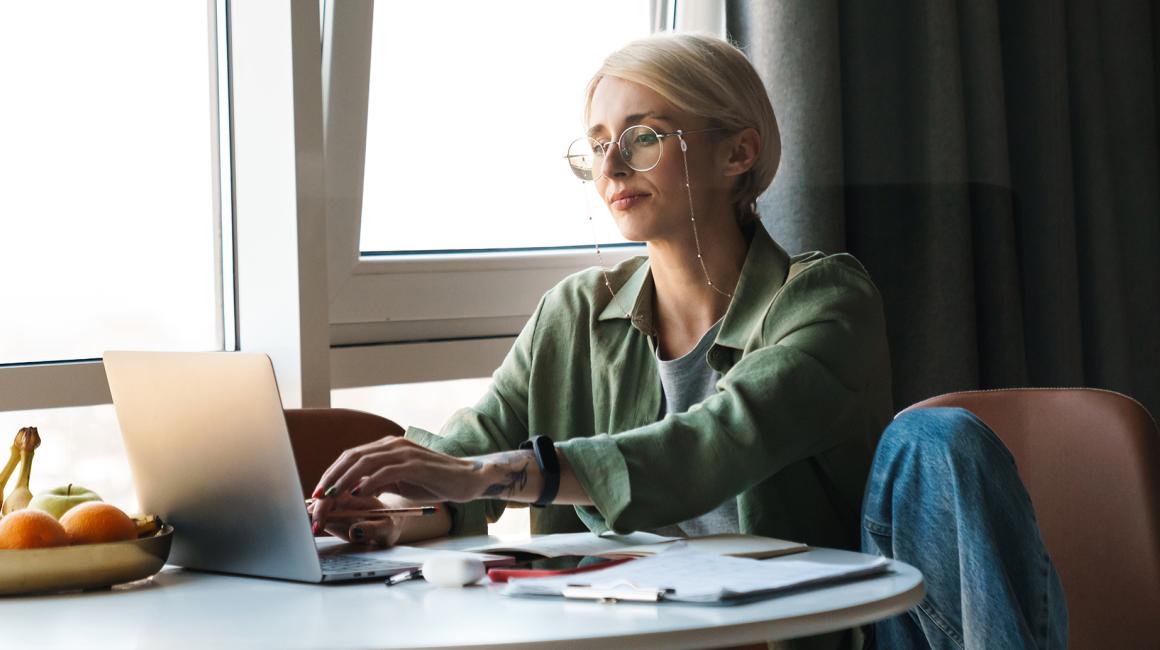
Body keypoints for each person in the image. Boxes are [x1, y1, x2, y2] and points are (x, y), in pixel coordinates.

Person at [310, 33, 1067, 649]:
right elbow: (466, 457)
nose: (611, 166)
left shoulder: (826, 300)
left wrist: (494, 474)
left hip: (810, 636)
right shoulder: (573, 314)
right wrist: (392, 510)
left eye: (643, 137)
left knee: (939, 436)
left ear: (738, 153)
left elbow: (718, 442)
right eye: (597, 145)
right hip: (622, 633)